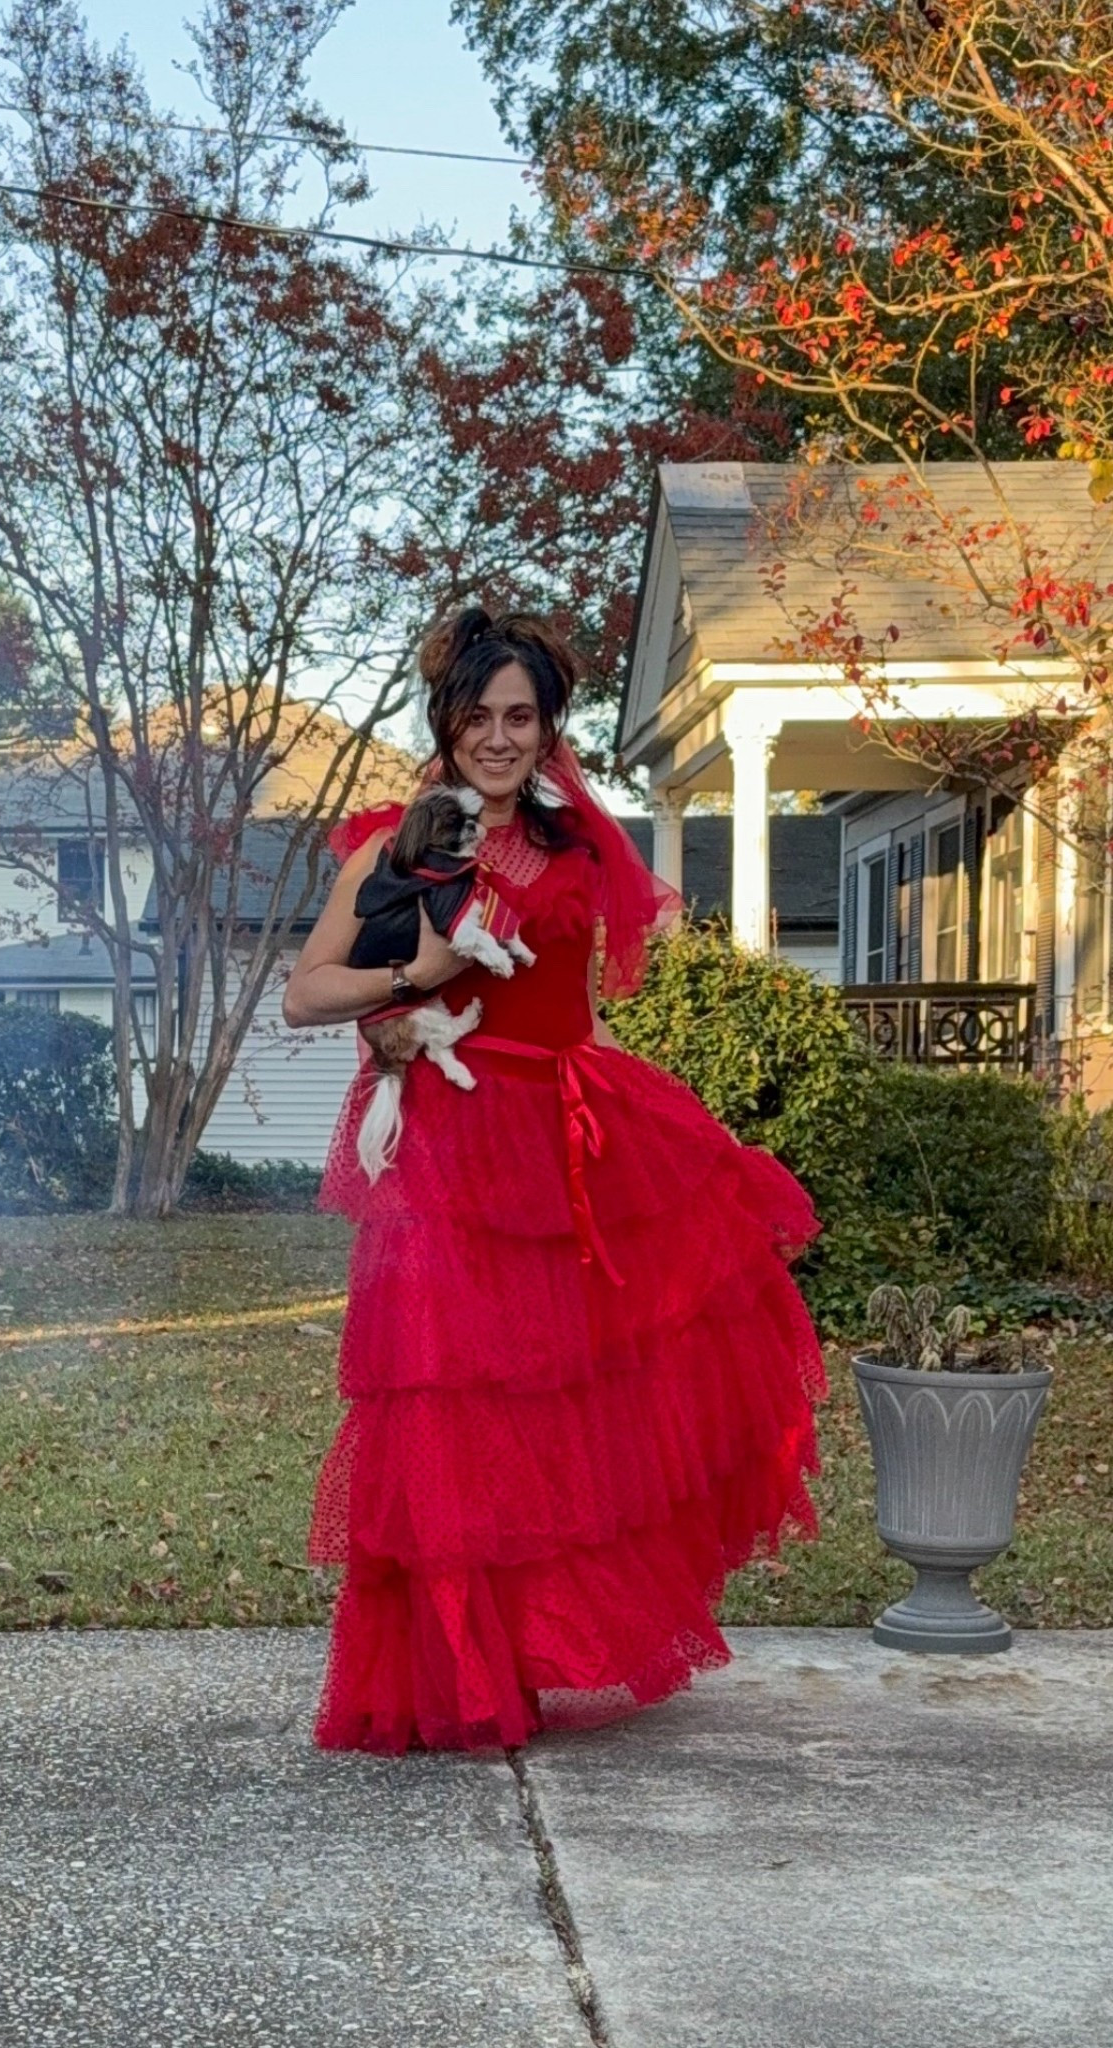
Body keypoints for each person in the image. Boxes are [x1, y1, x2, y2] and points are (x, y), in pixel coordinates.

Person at [283, 606, 827, 1754]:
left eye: (518, 716)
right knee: (442, 1403)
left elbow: (577, 1010)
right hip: (437, 1147)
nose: (497, 736)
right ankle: (451, 1669)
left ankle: (521, 1659)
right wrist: (405, 991)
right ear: (446, 720)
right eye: (476, 715)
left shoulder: (580, 846)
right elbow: (309, 989)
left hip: (557, 1145)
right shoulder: (394, 837)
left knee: (547, 1412)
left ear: (547, 726)